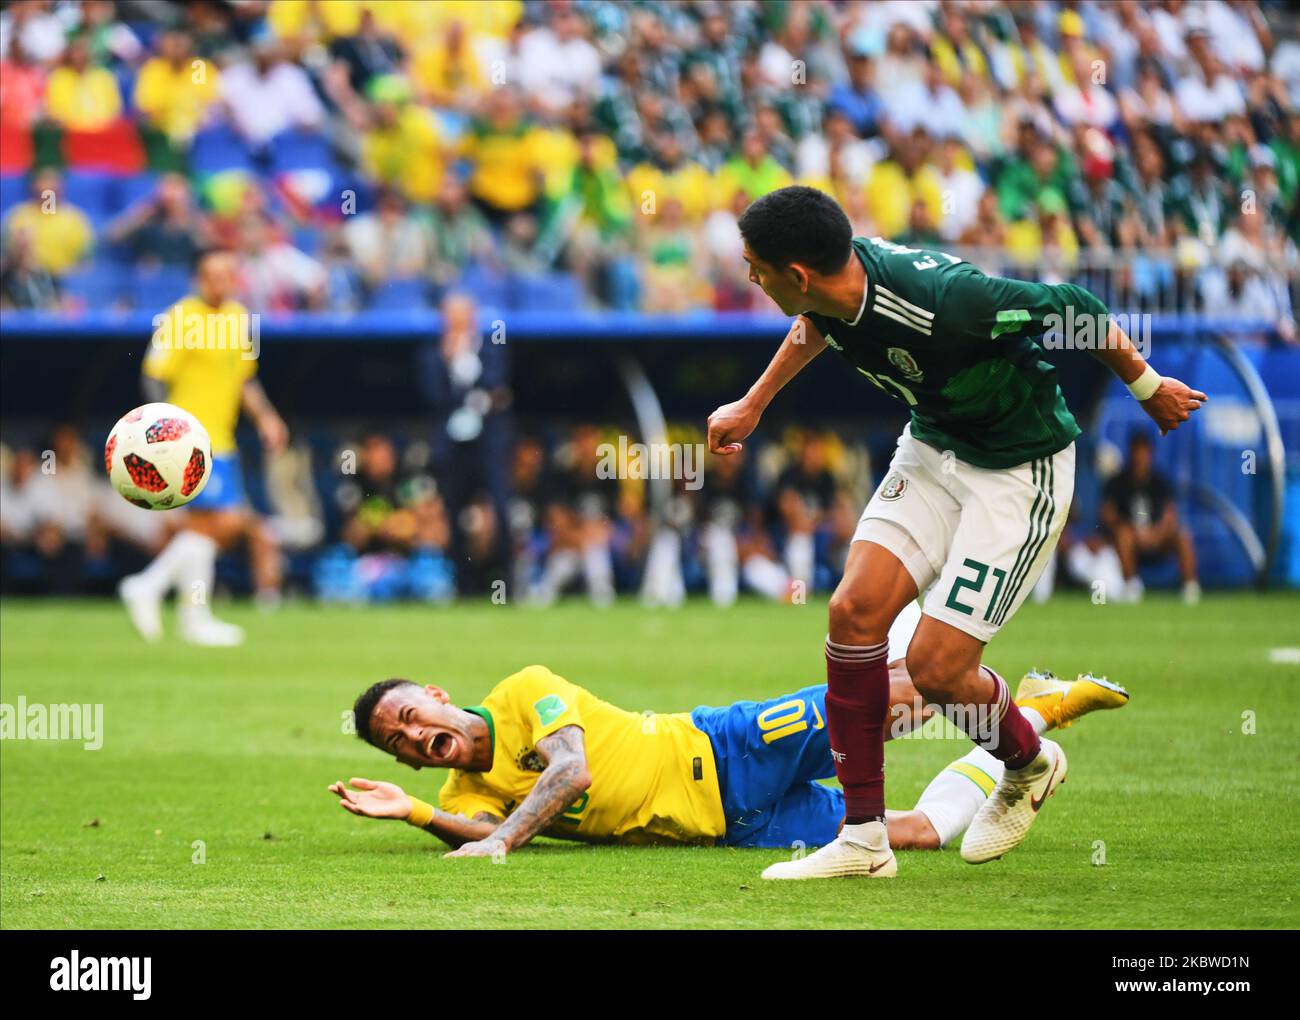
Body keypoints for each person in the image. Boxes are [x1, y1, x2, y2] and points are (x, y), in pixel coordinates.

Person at [705, 186, 1204, 878]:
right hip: (933, 449)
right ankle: (864, 840)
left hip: (1017, 469)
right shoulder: (829, 290)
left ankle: (1028, 763)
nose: (748, 275)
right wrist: (755, 402)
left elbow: (1076, 310)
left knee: (940, 671)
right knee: (852, 613)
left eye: (755, 265)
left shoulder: (950, 304)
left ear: (797, 274)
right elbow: (817, 323)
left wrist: (1147, 386)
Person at [332, 601, 1128, 856]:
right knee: (914, 834)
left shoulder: (521, 692)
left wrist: (503, 842)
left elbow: (568, 772)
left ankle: (1037, 706)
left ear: (436, 694)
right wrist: (415, 814)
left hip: (727, 744)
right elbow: (471, 824)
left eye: (410, 714)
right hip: (734, 826)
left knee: (896, 703)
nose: (412, 736)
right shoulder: (462, 789)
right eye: (397, 743)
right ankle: (1032, 717)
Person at [118, 249, 288, 646]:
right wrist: (161, 430)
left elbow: (244, 378)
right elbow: (154, 375)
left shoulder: (238, 317)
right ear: (198, 278)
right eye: (212, 274)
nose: (221, 281)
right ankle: (159, 593)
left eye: (228, 273)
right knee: (225, 521)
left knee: (206, 526)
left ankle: (181, 608)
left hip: (223, 439)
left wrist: (266, 417)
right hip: (188, 439)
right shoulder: (181, 317)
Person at [1100, 431, 1200, 604]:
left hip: (1158, 537)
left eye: (1144, 453)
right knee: (1124, 535)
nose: (1140, 458)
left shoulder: (1159, 481)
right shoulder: (1118, 482)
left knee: (1183, 535)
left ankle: (1190, 588)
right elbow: (1107, 514)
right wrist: (1132, 531)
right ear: (1130, 453)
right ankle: (1131, 587)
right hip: (1129, 541)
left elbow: (1170, 514)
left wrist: (1156, 533)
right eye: (1137, 453)